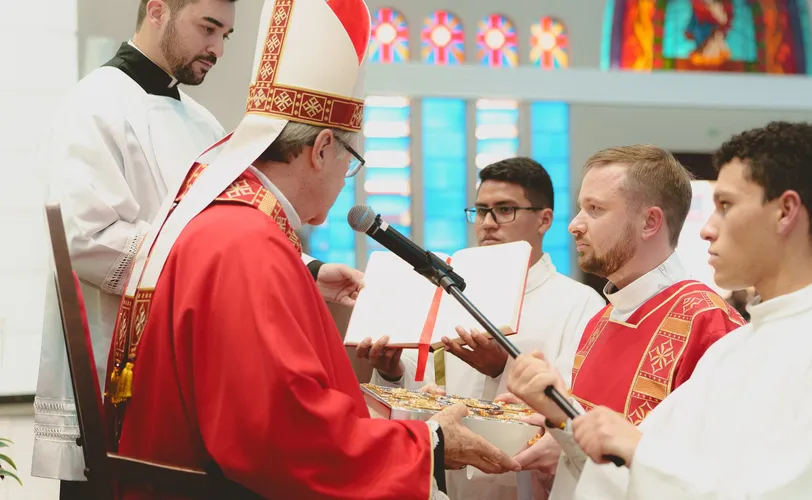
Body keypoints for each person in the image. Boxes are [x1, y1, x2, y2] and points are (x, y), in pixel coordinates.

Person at [100, 0, 518, 498]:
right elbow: (281, 434)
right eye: (351, 160)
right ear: (321, 150)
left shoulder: (235, 223)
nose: (347, 177)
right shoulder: (246, 243)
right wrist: (427, 442)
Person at [511, 121, 812, 499]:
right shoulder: (736, 350)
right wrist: (567, 417)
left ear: (786, 212)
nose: (706, 228)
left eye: (726, 205)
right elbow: (639, 469)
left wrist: (637, 451)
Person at [32, 0, 234, 487]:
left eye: (226, 34)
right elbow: (87, 238)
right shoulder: (95, 103)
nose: (218, 48)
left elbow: (236, 229)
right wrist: (200, 268)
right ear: (158, 10)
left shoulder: (205, 124)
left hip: (187, 366)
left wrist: (307, 270)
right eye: (208, 28)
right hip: (113, 366)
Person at [358, 157, 607, 500]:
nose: (488, 223)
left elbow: (578, 408)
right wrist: (391, 374)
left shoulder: (579, 303)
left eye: (505, 210)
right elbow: (424, 396)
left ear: (544, 220)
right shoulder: (450, 292)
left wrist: (500, 371)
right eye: (481, 210)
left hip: (530, 485)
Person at [507, 145, 745, 498]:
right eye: (580, 207)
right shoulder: (600, 320)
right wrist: (547, 418)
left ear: (650, 222)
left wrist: (562, 419)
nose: (574, 224)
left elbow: (704, 474)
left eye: (595, 209)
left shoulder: (709, 324)